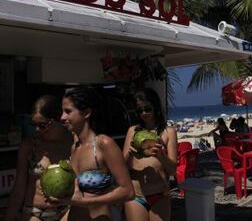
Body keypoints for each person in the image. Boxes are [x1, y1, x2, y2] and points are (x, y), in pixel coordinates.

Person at [59, 87, 134, 220]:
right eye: (62, 112)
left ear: (86, 113)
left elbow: (127, 191)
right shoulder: (74, 148)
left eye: (68, 111)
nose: (62, 117)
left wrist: (86, 202)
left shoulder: (103, 144)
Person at [5, 95, 74, 221]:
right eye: (33, 124)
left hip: (66, 210)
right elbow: (19, 187)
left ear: (57, 119)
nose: (36, 129)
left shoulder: (72, 142)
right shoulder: (29, 146)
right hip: (34, 212)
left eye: (42, 125)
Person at [122, 88, 177, 221]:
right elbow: (122, 166)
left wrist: (161, 155)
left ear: (155, 107)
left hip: (160, 194)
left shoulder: (168, 132)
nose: (144, 113)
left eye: (147, 108)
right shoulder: (133, 131)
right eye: (140, 110)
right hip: (136, 195)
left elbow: (173, 169)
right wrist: (130, 153)